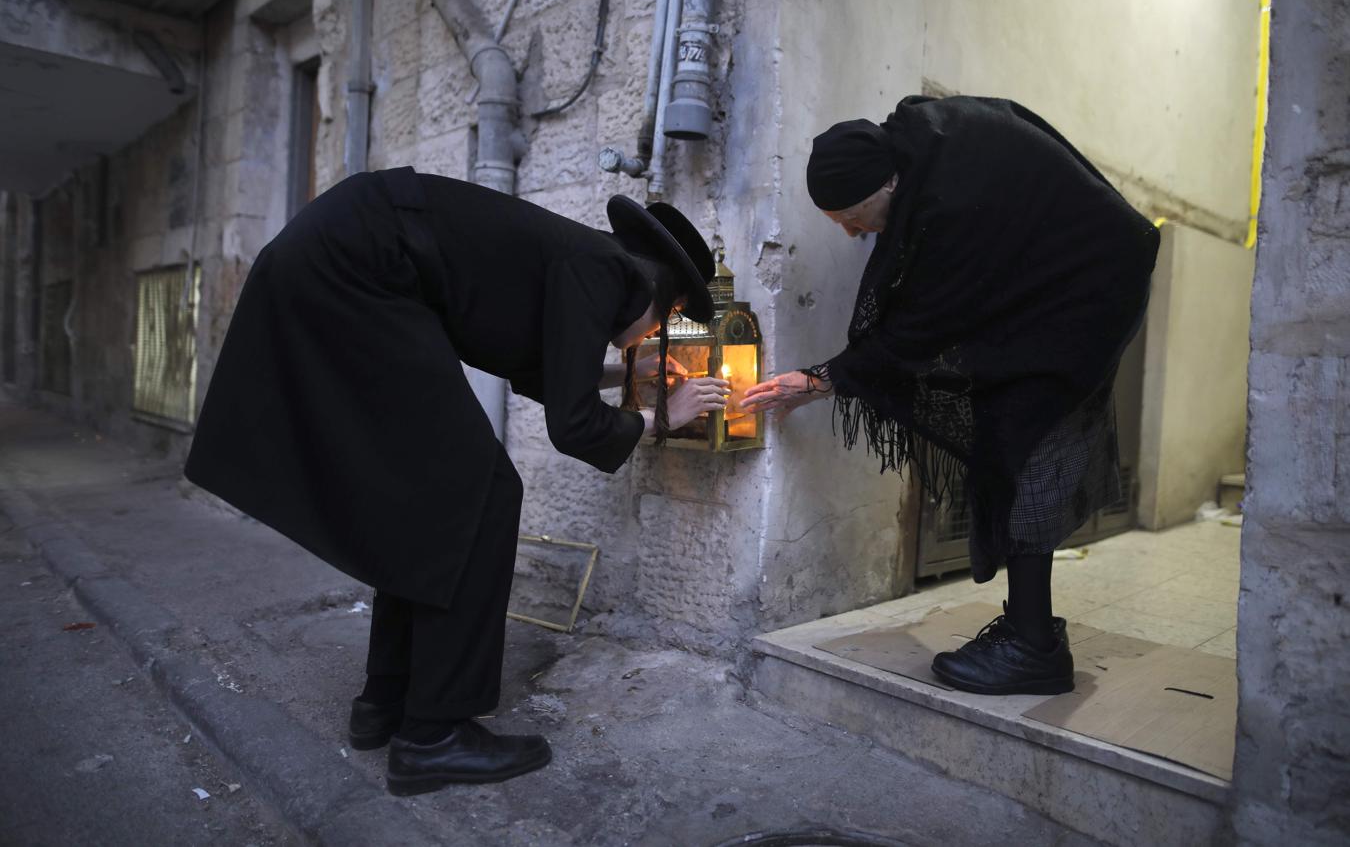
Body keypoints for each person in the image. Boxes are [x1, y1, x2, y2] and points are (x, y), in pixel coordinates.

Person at [184, 166, 729, 794]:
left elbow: (550, 376)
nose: (654, 338)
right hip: (362, 266)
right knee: (483, 493)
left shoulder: (579, 259)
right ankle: (435, 734)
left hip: (341, 258)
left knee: (432, 493)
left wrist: (622, 373)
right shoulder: (604, 269)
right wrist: (662, 416)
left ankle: (387, 701)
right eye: (664, 325)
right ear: (665, 299)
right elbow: (572, 426)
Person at [742, 96, 1159, 696]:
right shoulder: (923, 144)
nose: (853, 232)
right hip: (1059, 285)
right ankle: (1029, 626)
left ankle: (1035, 649)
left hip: (1091, 296)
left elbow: (921, 327)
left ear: (886, 183)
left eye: (851, 216)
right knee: (1013, 438)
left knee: (1025, 441)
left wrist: (819, 380)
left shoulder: (951, 197)